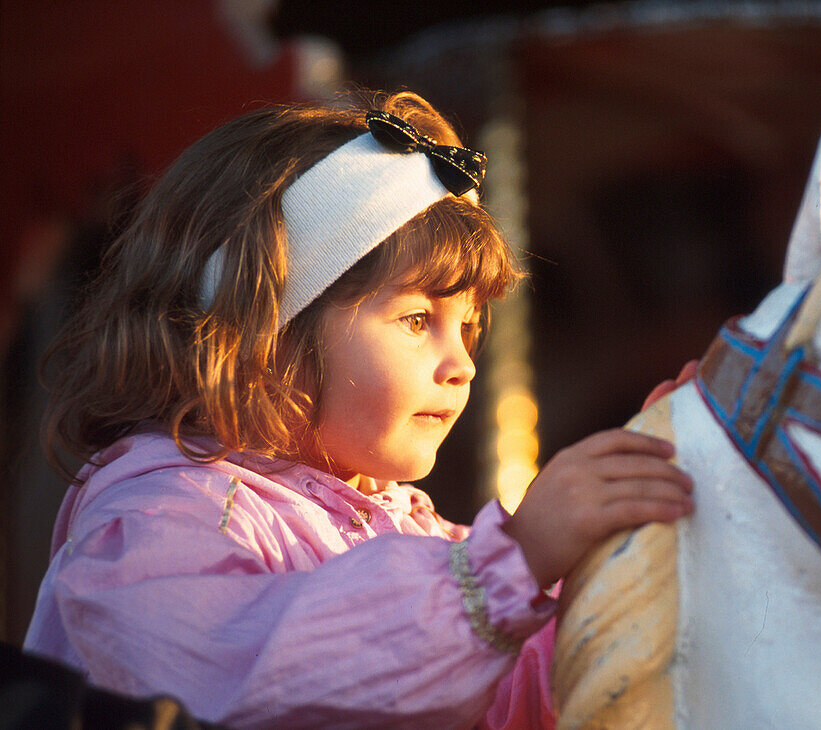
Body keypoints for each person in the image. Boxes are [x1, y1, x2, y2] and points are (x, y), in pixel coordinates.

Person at [22, 90, 694, 729]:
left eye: (466, 327)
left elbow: (515, 702)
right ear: (264, 333)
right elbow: (247, 677)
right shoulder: (158, 518)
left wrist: (626, 548)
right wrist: (509, 568)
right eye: (415, 319)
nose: (461, 363)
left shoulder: (419, 539)